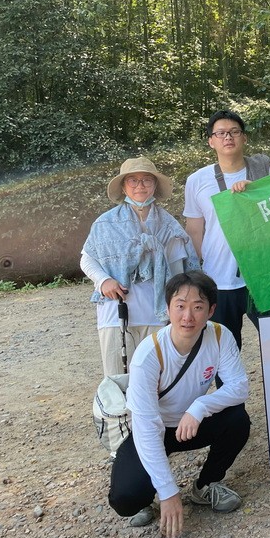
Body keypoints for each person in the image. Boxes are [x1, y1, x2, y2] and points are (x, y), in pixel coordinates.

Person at [107, 271, 251, 537]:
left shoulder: (220, 336)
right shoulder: (149, 355)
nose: (188, 317)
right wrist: (168, 491)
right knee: (125, 499)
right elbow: (146, 426)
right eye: (180, 306)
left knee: (237, 419)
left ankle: (205, 486)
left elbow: (239, 387)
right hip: (155, 430)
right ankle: (147, 496)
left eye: (198, 307)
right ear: (167, 308)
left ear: (211, 310)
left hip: (190, 425)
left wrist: (199, 407)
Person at [81, 157, 199, 377]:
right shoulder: (105, 224)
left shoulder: (169, 225)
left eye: (146, 180)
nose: (140, 186)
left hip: (157, 314)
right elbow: (87, 259)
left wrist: (178, 309)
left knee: (157, 378)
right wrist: (104, 281)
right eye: (133, 180)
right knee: (118, 379)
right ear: (123, 187)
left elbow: (177, 272)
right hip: (115, 312)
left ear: (155, 185)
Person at [184, 110, 270, 350]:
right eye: (220, 133)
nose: (228, 137)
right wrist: (201, 270)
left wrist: (259, 193)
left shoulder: (267, 174)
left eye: (234, 132)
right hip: (219, 279)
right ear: (211, 141)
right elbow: (195, 230)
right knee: (223, 351)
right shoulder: (197, 180)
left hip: (264, 277)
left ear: (244, 137)